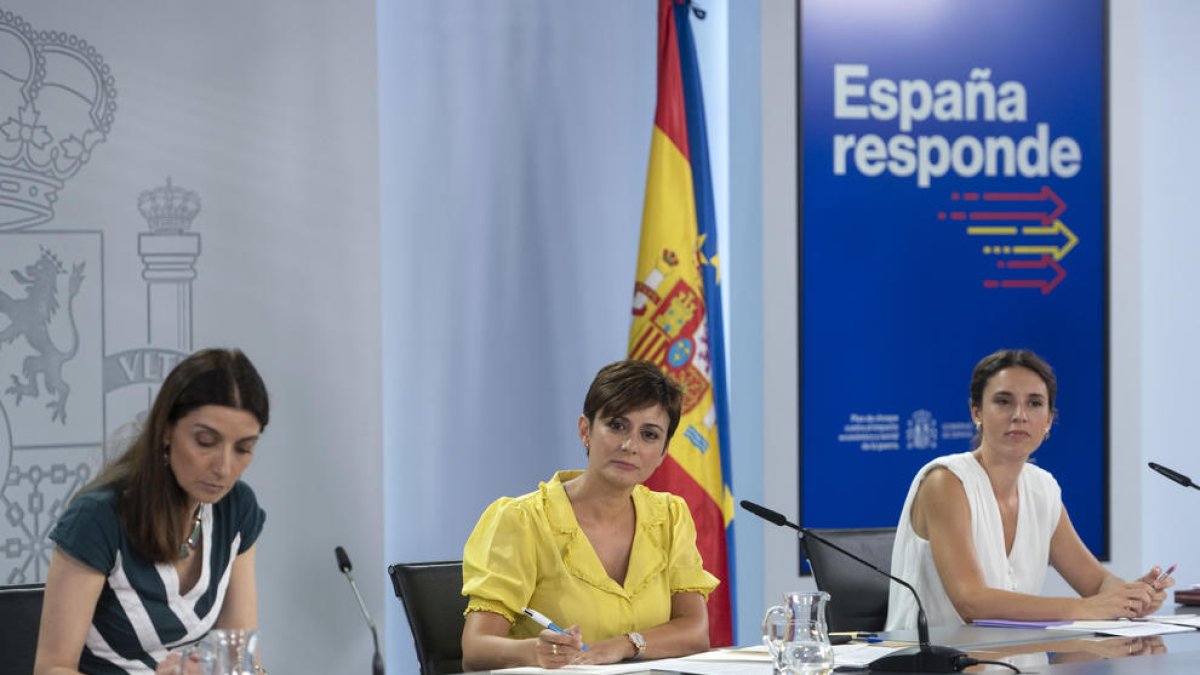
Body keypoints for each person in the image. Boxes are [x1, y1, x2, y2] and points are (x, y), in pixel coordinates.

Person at [885, 349, 1172, 630]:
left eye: (1034, 403)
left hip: (1015, 660)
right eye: (1003, 401)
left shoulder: (1042, 488)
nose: (1020, 415)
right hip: (932, 663)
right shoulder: (946, 482)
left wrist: (1134, 595)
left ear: (1048, 420)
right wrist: (1086, 608)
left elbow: (1096, 583)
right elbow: (972, 603)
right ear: (977, 412)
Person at [460, 360, 718, 670]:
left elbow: (695, 632)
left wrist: (621, 646)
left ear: (663, 452)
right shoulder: (522, 520)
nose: (629, 445)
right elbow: (475, 649)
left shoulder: (670, 516)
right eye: (617, 425)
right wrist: (533, 652)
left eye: (649, 435)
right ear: (586, 430)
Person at [34, 348, 270, 674]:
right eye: (204, 441)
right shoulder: (98, 519)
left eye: (244, 448)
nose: (225, 468)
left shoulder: (236, 508)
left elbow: (238, 659)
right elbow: (51, 668)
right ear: (166, 430)